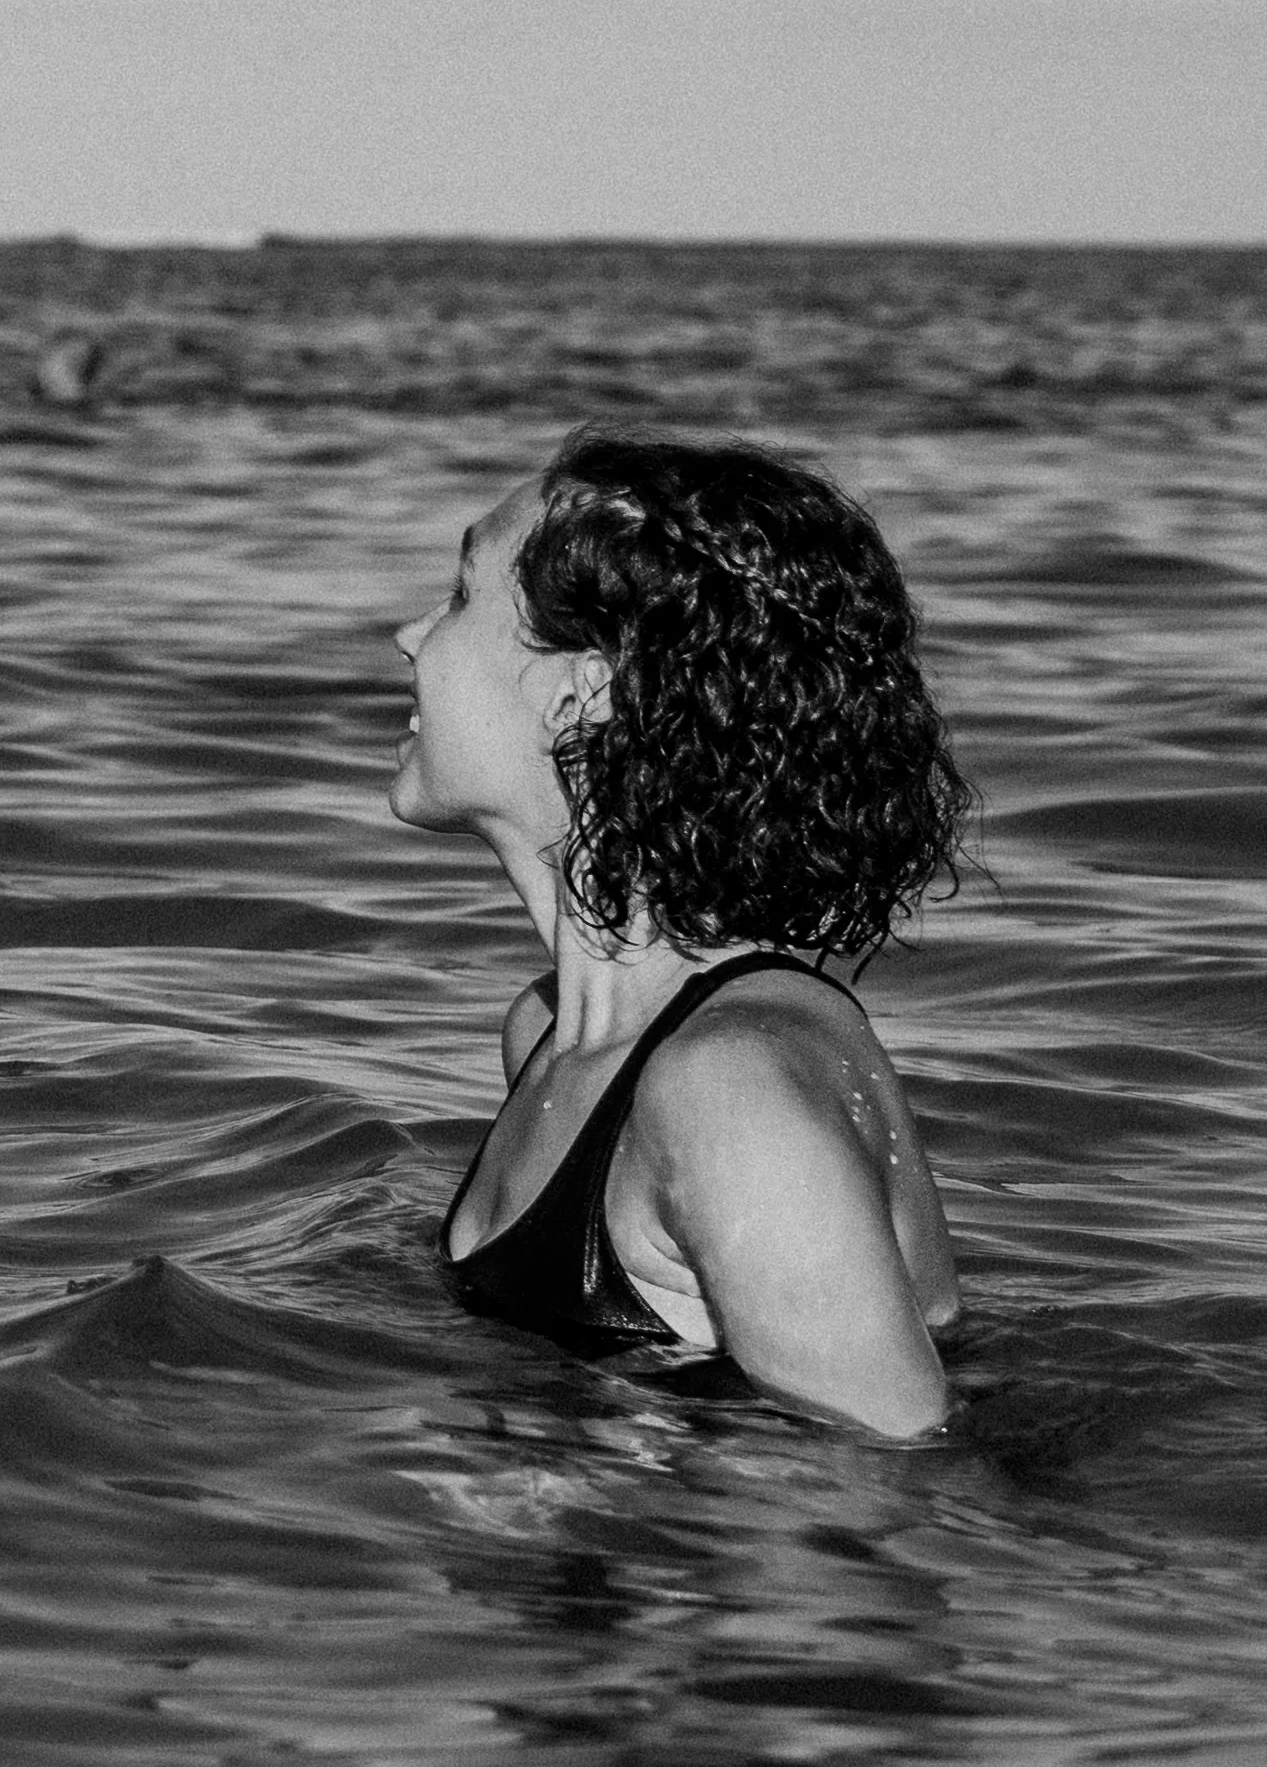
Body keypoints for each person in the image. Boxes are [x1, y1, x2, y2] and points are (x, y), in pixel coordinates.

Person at [388, 431, 977, 1435]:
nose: (409, 635)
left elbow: (888, 1487)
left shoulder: (726, 1085)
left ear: (581, 690)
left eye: (457, 596)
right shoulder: (550, 1034)